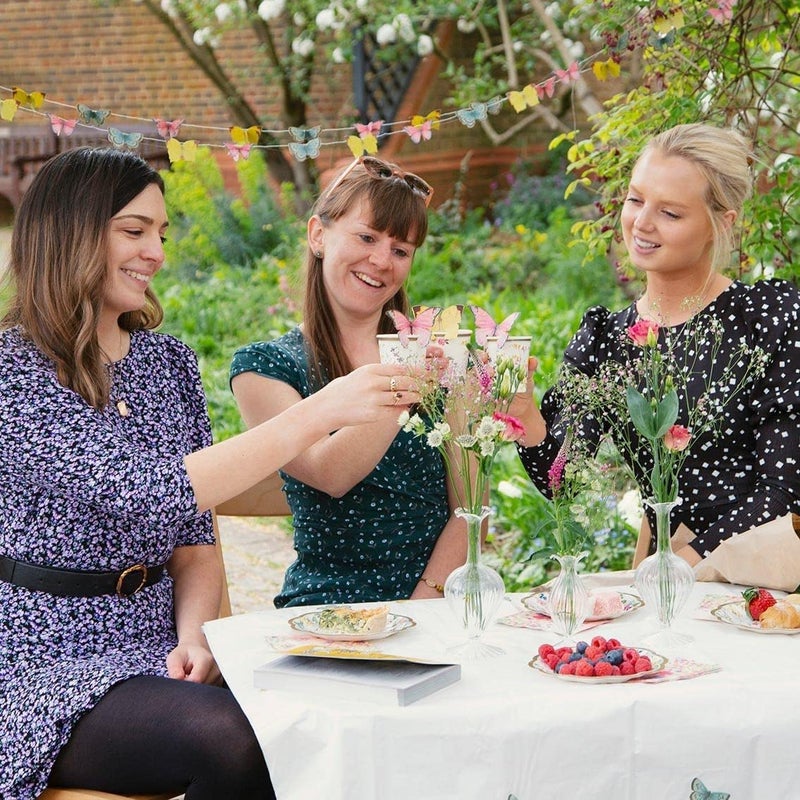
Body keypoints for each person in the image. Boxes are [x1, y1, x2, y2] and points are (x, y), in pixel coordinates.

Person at [0, 147, 420, 800]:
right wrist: (319, 412)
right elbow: (149, 493)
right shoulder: (15, 371)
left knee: (321, 718)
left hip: (159, 648)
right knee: (234, 741)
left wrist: (195, 634)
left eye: (160, 234)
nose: (156, 253)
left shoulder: (168, 364)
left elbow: (192, 536)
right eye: (134, 231)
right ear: (70, 231)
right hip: (44, 664)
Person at [513, 122, 800, 565]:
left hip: (759, 587)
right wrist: (525, 415)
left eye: (670, 213)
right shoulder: (606, 338)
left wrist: (677, 565)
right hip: (666, 583)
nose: (642, 223)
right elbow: (563, 484)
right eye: (635, 199)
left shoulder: (771, 318)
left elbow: (786, 488)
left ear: (720, 224)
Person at [230, 155, 469, 607]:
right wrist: (409, 382)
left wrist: (423, 606)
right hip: (327, 611)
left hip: (437, 607)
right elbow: (329, 473)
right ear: (318, 235)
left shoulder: (440, 358)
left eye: (401, 250)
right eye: (366, 237)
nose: (381, 260)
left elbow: (469, 509)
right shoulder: (265, 368)